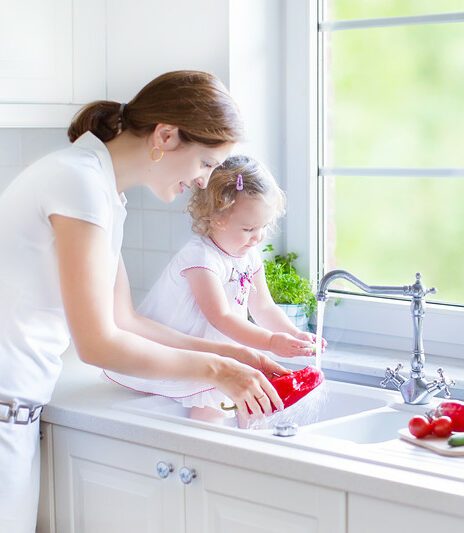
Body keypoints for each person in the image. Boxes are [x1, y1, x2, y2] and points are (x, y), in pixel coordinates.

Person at [0, 70, 295, 533]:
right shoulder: (78, 184)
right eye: (204, 163)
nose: (202, 182)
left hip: (14, 411)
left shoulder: (101, 190)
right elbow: (97, 345)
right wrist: (217, 372)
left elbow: (125, 320)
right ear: (166, 135)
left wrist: (235, 353)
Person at [105, 155, 322, 415]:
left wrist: (292, 334)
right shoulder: (200, 258)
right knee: (211, 411)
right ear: (216, 217)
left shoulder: (248, 254)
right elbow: (221, 317)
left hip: (219, 354)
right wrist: (271, 341)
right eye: (249, 228)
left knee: (244, 407)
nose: (258, 237)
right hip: (182, 354)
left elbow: (263, 306)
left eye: (264, 226)